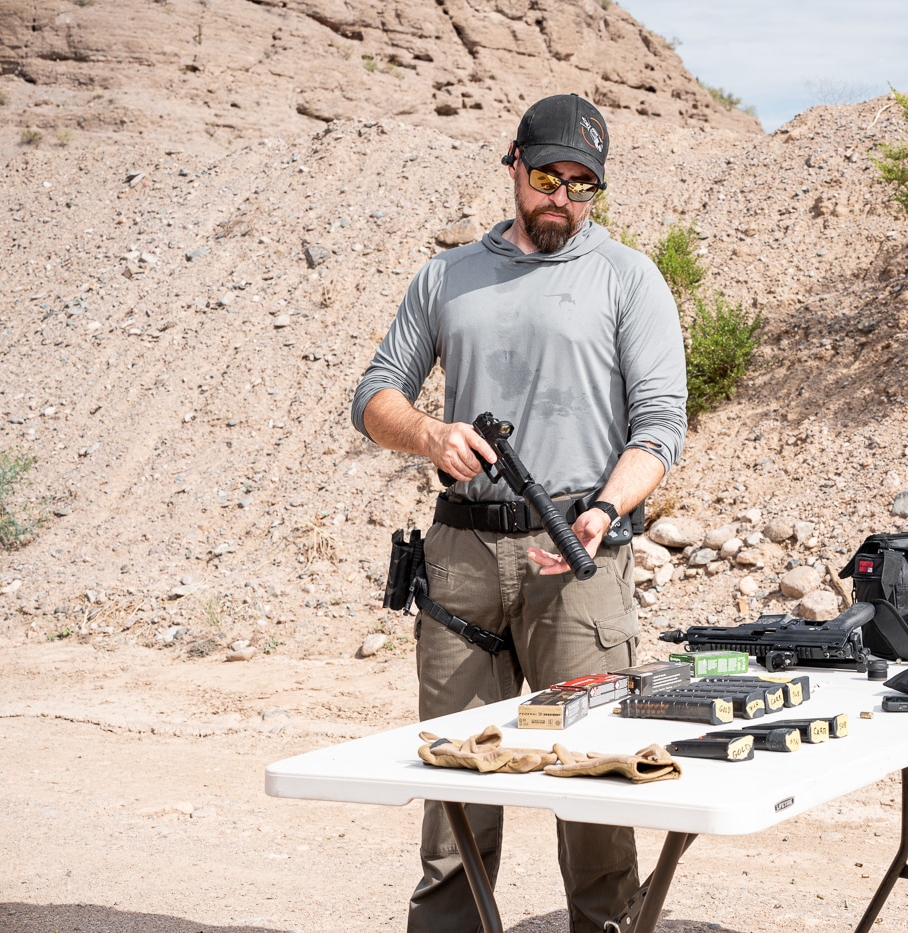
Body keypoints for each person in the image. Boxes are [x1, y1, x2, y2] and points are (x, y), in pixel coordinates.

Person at [350, 93, 688, 933]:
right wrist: (431, 435)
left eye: (583, 185)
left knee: (598, 788)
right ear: (514, 167)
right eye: (547, 177)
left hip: (578, 555)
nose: (562, 200)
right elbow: (372, 396)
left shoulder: (628, 277)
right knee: (456, 791)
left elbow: (660, 428)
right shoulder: (446, 276)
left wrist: (609, 507)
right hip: (461, 558)